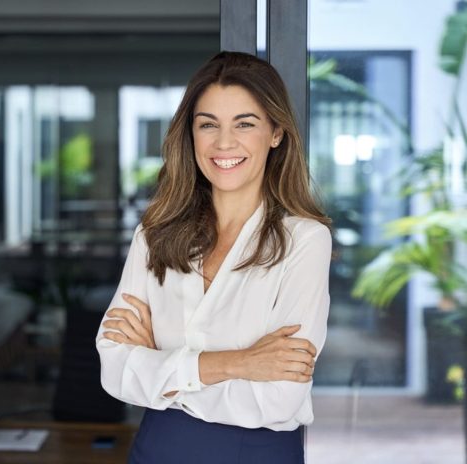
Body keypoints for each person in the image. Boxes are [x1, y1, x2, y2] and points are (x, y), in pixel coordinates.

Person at [96, 51, 332, 464]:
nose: (224, 143)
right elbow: (116, 372)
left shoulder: (305, 242)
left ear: (276, 132)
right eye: (208, 125)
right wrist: (240, 362)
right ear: (190, 134)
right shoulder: (154, 236)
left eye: (245, 124)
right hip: (158, 448)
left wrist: (159, 368)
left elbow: (279, 398)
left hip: (256, 453)